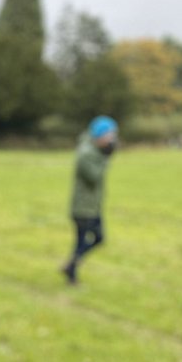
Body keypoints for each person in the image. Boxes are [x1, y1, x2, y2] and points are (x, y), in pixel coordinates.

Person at [62, 115, 119, 285]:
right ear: (100, 135)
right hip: (83, 207)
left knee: (94, 239)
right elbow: (94, 176)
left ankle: (71, 267)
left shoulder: (94, 150)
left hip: (92, 206)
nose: (113, 139)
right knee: (85, 241)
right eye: (111, 135)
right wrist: (107, 157)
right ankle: (71, 271)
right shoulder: (86, 153)